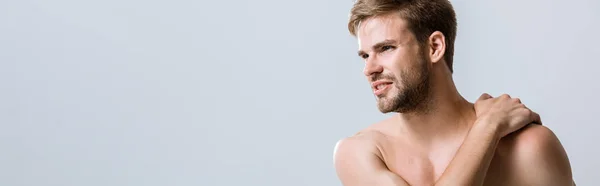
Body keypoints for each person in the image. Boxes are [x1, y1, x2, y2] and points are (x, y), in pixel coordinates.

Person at [333, 0, 575, 185]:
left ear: (435, 47)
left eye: (385, 48)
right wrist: (487, 127)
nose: (369, 69)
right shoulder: (360, 152)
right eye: (365, 55)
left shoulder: (529, 149)